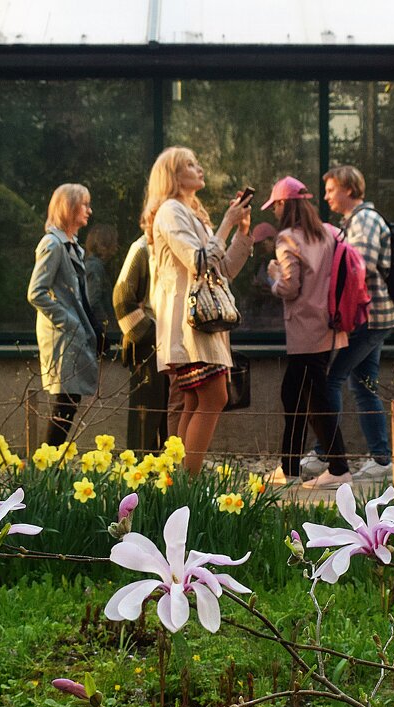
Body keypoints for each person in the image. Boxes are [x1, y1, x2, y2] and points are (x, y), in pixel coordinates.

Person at [142, 146, 252, 473]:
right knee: (214, 397)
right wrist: (227, 223)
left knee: (193, 401)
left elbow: (225, 269)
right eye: (190, 164)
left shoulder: (191, 213)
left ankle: (178, 482)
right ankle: (188, 482)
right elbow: (200, 262)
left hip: (202, 323)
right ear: (173, 177)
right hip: (190, 325)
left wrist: (242, 230)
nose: (199, 167)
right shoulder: (170, 211)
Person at [302, 165, 394, 481]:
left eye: (331, 189)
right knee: (363, 384)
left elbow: (361, 263)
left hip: (369, 317)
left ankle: (325, 454)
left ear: (348, 189)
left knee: (331, 378)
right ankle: (381, 460)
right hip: (368, 316)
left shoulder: (366, 220)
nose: (327, 196)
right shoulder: (352, 222)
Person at [262, 176, 352, 489]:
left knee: (311, 398)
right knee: (305, 396)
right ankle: (291, 468)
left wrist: (273, 275)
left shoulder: (288, 238)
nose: (273, 211)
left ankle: (337, 468)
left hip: (304, 331)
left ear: (284, 204)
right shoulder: (329, 232)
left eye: (275, 205)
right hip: (328, 326)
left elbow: (289, 286)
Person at [28, 183, 102, 446]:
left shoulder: (72, 246)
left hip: (73, 335)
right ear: (69, 207)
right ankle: (46, 470)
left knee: (70, 400)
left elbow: (79, 294)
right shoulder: (52, 244)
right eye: (84, 204)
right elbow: (36, 292)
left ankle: (50, 468)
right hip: (62, 337)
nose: (89, 211)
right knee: (65, 402)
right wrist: (69, 322)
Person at [114, 218, 170, 453]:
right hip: (149, 345)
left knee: (168, 414)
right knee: (146, 415)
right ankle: (140, 476)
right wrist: (151, 333)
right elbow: (122, 298)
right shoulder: (141, 249)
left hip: (172, 344)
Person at [83, 223, 119, 346]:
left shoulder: (95, 265)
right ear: (104, 244)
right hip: (100, 334)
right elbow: (93, 301)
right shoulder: (94, 267)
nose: (116, 248)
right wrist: (108, 326)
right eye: (113, 243)